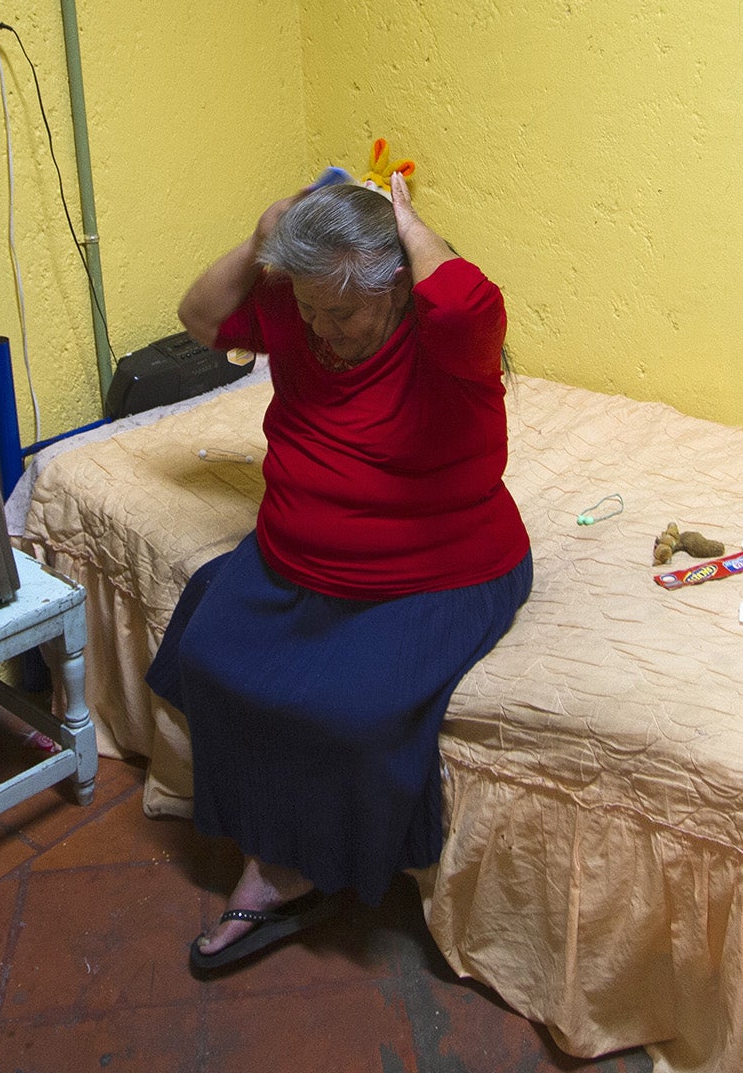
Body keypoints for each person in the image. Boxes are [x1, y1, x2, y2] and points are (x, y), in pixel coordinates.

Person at [148, 171, 532, 975]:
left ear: (396, 284)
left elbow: (464, 299)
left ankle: (293, 869)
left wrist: (405, 221)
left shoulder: (448, 338)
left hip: (437, 571)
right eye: (310, 308)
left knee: (352, 710)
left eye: (344, 312)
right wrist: (261, 241)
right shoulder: (302, 303)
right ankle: (267, 833)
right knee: (209, 653)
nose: (321, 329)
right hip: (293, 555)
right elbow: (198, 317)